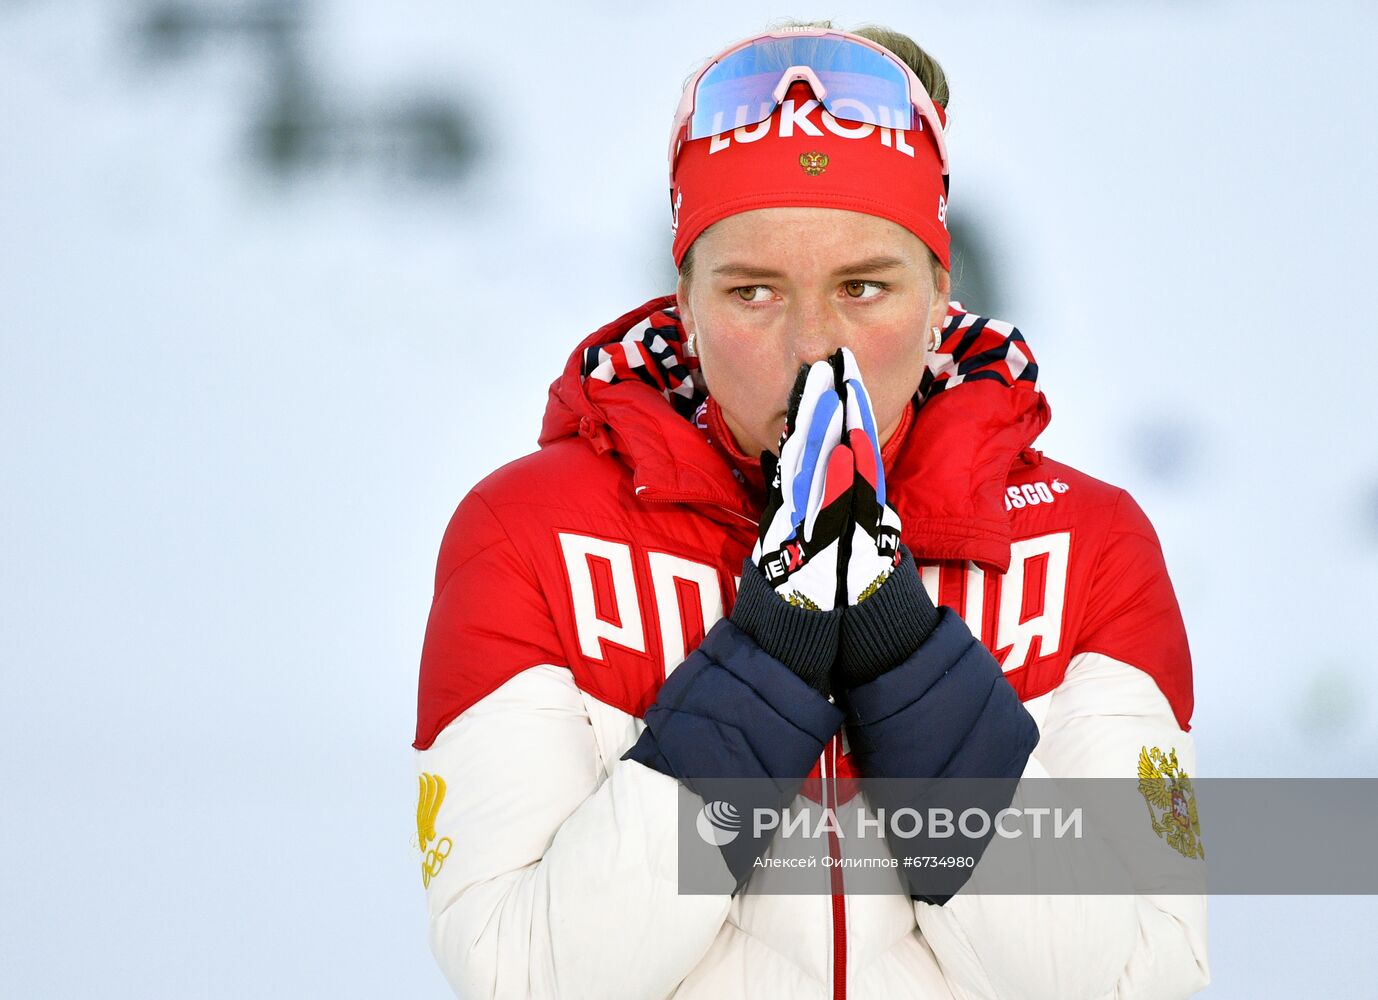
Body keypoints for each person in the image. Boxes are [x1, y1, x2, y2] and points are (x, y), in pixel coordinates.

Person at [412, 20, 1209, 999]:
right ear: (686, 303)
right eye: (752, 292)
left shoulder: (1087, 546)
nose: (813, 346)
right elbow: (521, 973)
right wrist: (767, 657)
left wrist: (904, 657)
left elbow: (1144, 977)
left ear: (936, 295)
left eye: (865, 287)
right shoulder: (525, 535)